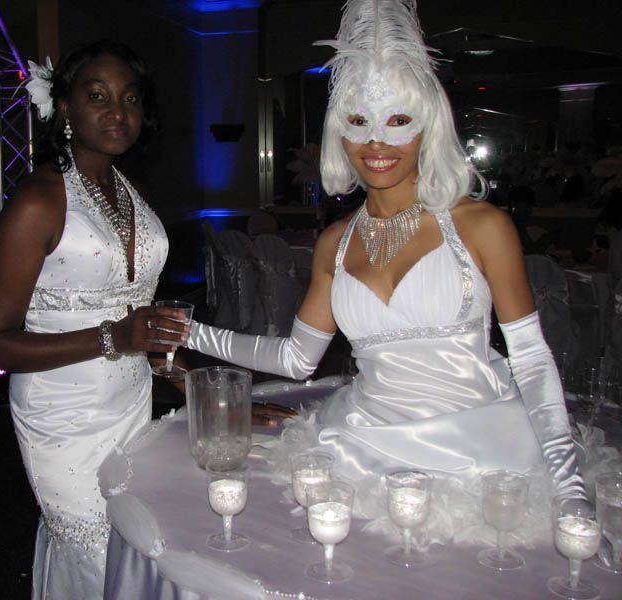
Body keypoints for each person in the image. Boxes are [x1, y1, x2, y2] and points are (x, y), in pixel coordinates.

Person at [186, 0, 589, 543]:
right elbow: (295, 359)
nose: (377, 142)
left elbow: (533, 359)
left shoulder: (481, 225)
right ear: (339, 133)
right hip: (361, 451)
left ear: (429, 124)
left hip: (478, 454)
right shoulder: (335, 242)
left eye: (399, 120)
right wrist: (189, 332)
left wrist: (567, 486)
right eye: (359, 122)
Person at [0, 41, 188, 597]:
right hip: (62, 416)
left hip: (132, 402)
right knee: (94, 553)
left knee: (138, 547)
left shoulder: (126, 190)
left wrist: (171, 366)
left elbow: (131, 307)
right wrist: (116, 335)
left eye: (131, 98)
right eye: (98, 96)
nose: (119, 112)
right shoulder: (40, 200)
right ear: (64, 108)